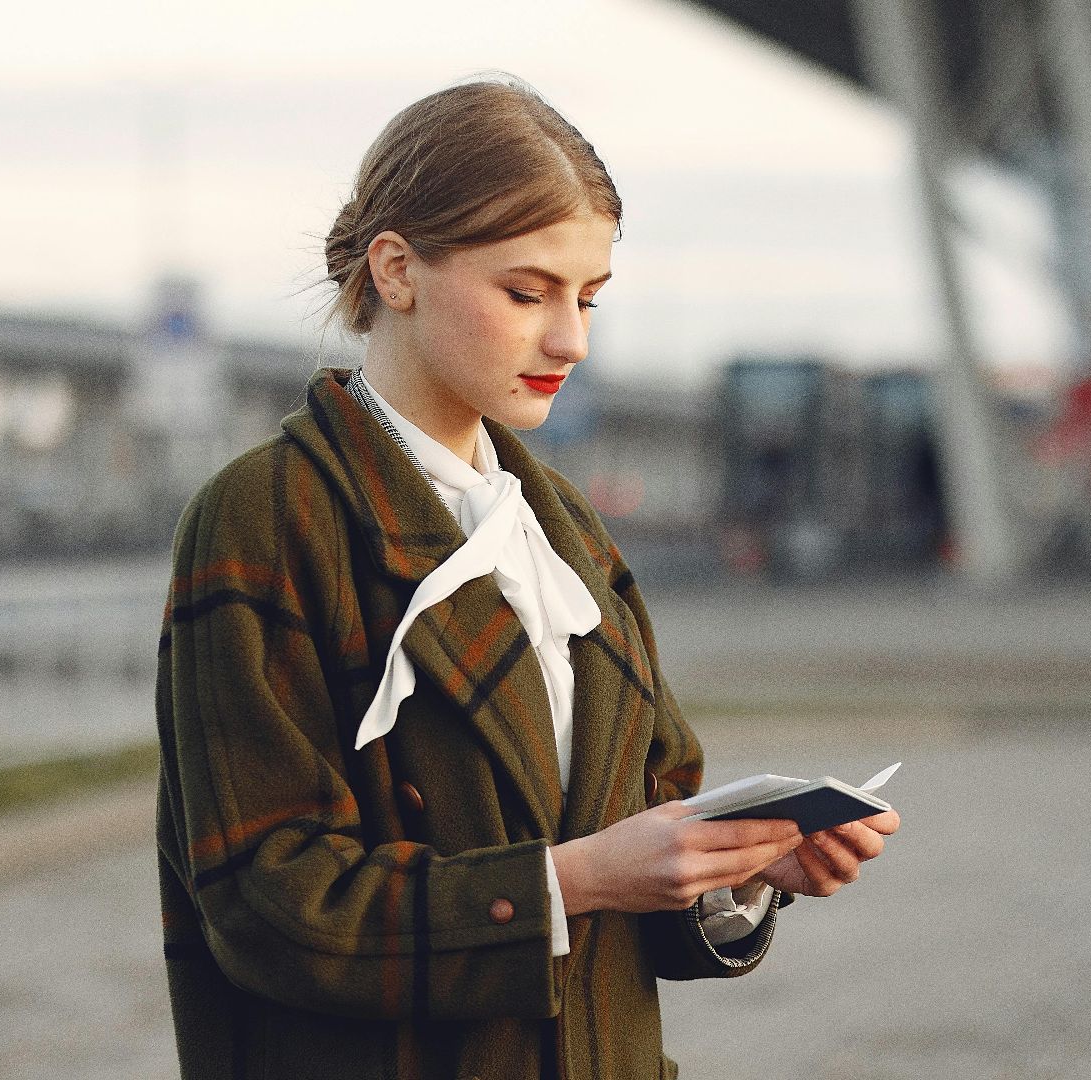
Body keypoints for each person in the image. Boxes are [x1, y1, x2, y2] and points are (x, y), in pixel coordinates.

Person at [154, 73, 899, 1080]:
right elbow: (267, 909)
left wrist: (738, 870)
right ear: (398, 269)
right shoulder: (268, 519)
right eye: (527, 291)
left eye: (587, 298)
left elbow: (645, 834)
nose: (572, 340)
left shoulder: (563, 532)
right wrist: (574, 880)